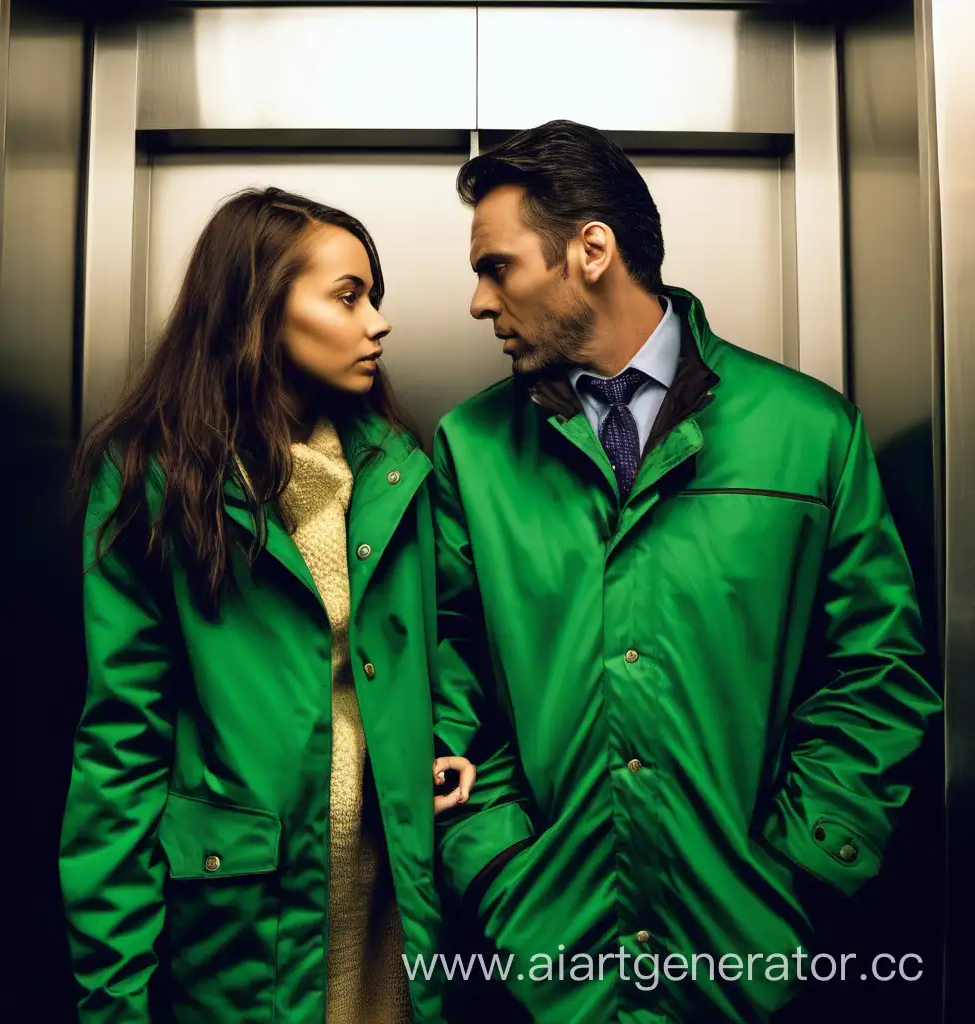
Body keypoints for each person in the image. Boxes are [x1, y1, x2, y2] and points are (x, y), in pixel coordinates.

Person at [429, 121, 942, 1023]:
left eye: (497, 266)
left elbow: (878, 676)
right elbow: (443, 675)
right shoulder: (471, 451)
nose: (478, 301)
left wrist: (802, 866)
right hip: (549, 959)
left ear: (591, 250)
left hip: (755, 957)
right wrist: (502, 863)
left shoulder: (810, 434)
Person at [59, 186, 474, 1023]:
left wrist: (453, 735)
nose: (378, 324)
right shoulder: (154, 479)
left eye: (376, 297)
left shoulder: (397, 469)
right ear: (257, 307)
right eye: (348, 297)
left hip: (396, 880)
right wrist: (112, 999)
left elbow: (450, 634)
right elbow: (122, 742)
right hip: (243, 917)